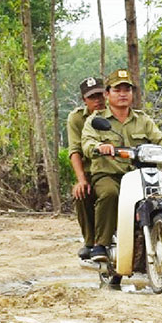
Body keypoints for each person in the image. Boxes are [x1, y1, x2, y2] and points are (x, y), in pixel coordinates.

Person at [81, 69, 162, 276]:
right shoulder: (96, 120)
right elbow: (87, 143)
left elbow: (160, 138)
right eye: (117, 89)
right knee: (109, 194)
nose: (123, 93)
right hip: (110, 174)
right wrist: (99, 147)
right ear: (107, 94)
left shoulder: (143, 119)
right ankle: (101, 245)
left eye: (127, 89)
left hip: (140, 174)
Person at [66, 76, 106, 260]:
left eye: (100, 95)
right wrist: (81, 179)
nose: (97, 100)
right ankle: (90, 241)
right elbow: (75, 150)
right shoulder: (76, 118)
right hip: (90, 170)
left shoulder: (116, 113)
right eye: (92, 97)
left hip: (115, 168)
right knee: (82, 192)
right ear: (84, 100)